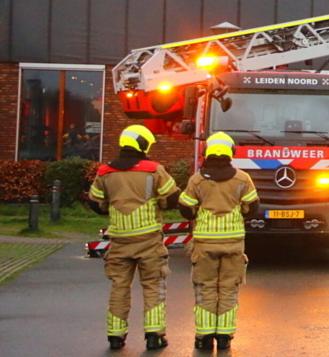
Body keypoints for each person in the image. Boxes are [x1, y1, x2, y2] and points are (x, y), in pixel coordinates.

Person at [88, 125, 181, 350]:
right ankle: (154, 335)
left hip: (120, 241)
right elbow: (172, 198)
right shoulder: (154, 169)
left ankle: (115, 336)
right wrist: (158, 203)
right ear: (143, 144)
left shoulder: (105, 172)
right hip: (149, 240)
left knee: (119, 287)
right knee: (153, 286)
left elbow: (95, 203)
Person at [178, 132, 260, 351]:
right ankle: (224, 337)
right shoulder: (242, 178)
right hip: (233, 243)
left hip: (204, 244)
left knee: (205, 289)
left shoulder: (197, 179)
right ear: (231, 152)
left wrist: (198, 212)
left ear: (208, 153)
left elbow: (185, 208)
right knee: (228, 289)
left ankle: (204, 338)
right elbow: (252, 207)